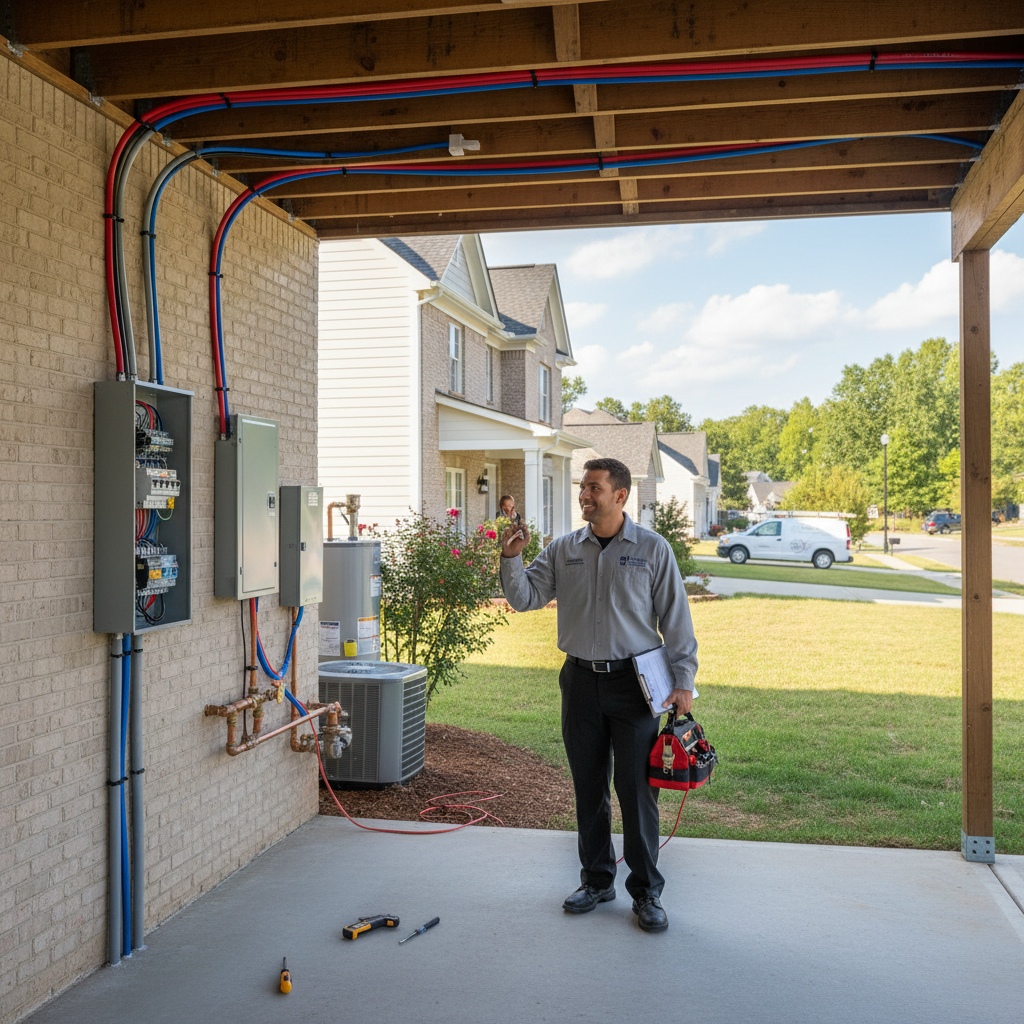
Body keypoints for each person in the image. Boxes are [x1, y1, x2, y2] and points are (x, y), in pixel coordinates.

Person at [499, 457, 697, 933]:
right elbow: (525, 598)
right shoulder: (565, 549)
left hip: (636, 686)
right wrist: (511, 558)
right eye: (582, 488)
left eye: (594, 488)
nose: (584, 495)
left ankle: (647, 891)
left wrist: (684, 680)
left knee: (636, 792)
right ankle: (596, 879)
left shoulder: (652, 549)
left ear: (621, 495)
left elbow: (675, 617)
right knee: (588, 787)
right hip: (581, 682)